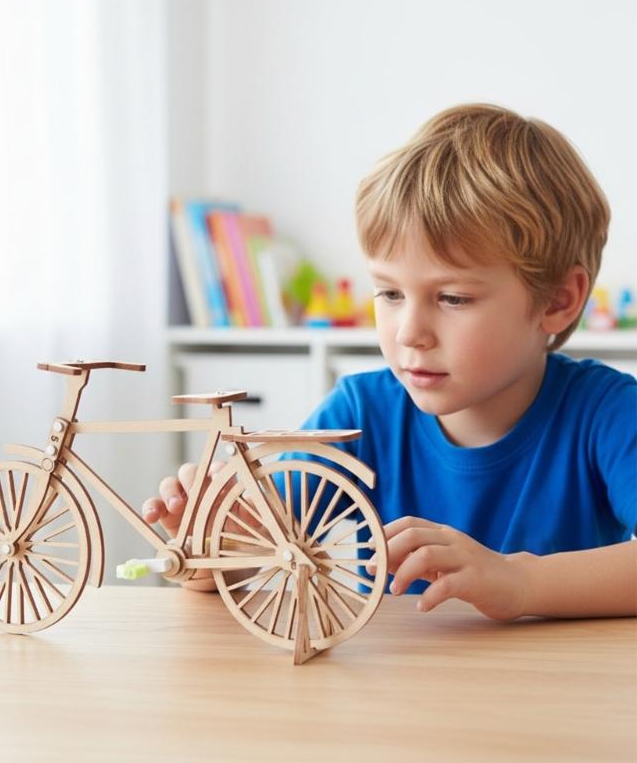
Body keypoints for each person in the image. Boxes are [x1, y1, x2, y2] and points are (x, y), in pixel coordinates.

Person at [143, 103, 637, 620]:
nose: (409, 333)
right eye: (390, 293)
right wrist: (211, 544)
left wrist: (520, 583)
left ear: (558, 300)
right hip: (394, 674)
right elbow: (245, 565)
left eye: (453, 298)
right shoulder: (360, 412)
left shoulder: (607, 411)